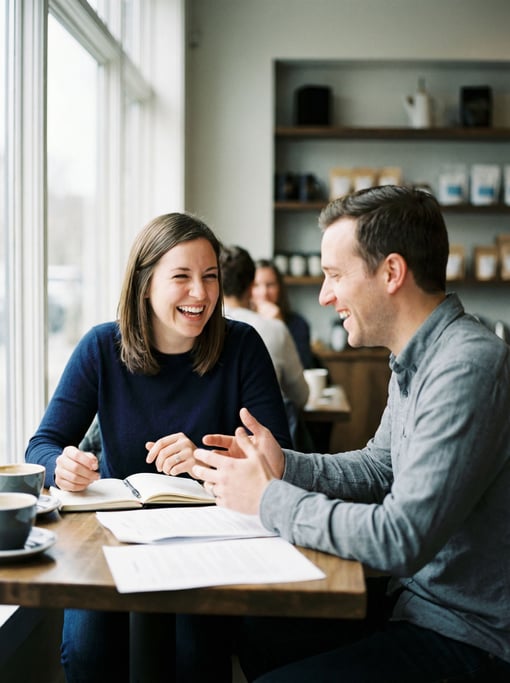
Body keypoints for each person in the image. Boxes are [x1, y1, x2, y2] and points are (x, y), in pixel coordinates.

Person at [193, 185, 510, 682]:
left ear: (391, 273)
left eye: (335, 275)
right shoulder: (418, 356)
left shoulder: (465, 365)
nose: (325, 294)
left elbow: (399, 538)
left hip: (468, 637)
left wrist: (269, 498)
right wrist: (283, 464)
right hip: (411, 606)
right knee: (253, 626)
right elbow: (378, 465)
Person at [25, 212, 292, 683]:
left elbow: (280, 457)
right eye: (182, 277)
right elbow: (42, 445)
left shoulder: (243, 345)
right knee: (86, 652)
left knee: (195, 658)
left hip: (210, 537)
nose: (201, 293)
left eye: (210, 277)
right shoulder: (101, 347)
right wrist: (61, 467)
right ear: (145, 284)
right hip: (112, 536)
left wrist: (205, 461)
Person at [219, 245, 310, 446]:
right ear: (252, 286)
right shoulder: (274, 328)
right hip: (262, 447)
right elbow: (301, 396)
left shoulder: (197, 328)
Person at [252, 259, 313, 368]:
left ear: (279, 288)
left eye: (270, 285)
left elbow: (303, 366)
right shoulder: (241, 322)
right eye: (256, 285)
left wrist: (280, 325)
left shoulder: (298, 324)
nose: (264, 292)